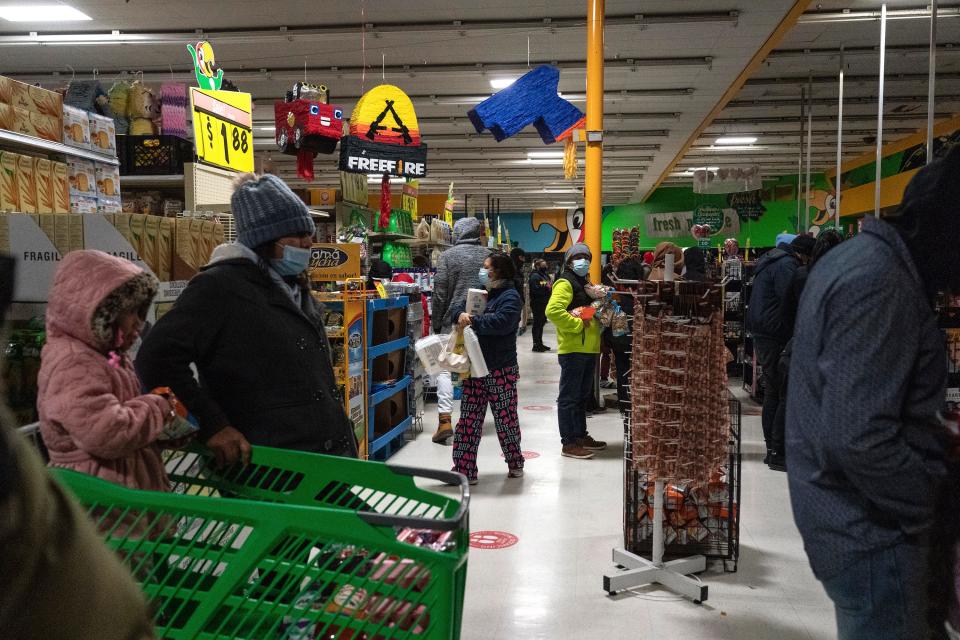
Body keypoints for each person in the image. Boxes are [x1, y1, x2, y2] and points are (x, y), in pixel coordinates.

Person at [787, 146, 960, 640]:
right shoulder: (879, 283)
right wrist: (935, 498)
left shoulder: (861, 263)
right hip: (873, 535)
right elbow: (859, 437)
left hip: (857, 524)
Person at [137, 173, 357, 465]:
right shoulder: (221, 286)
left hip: (319, 460)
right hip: (267, 466)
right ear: (264, 239)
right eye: (296, 235)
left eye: (308, 234)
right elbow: (156, 357)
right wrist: (212, 425)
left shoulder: (293, 286)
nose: (307, 244)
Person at [38, 250, 176, 491]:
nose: (138, 321)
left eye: (140, 311)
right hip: (100, 501)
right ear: (101, 312)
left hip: (121, 492)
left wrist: (164, 430)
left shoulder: (108, 356)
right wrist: (157, 407)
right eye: (130, 311)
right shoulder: (74, 363)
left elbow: (121, 417)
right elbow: (106, 433)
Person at [768, 229, 843, 472]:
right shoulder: (841, 279)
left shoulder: (801, 275)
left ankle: (778, 452)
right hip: (829, 348)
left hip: (799, 344)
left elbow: (786, 312)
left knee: (786, 398)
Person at [448, 254, 524, 484]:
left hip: (500, 369)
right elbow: (457, 310)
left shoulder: (511, 297)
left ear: (499, 271)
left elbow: (502, 323)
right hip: (474, 368)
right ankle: (464, 470)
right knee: (468, 420)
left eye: (487, 268)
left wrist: (472, 321)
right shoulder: (480, 293)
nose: (483, 271)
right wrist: (460, 315)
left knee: (506, 419)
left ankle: (515, 462)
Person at [744, 233, 814, 466]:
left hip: (763, 332)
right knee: (780, 391)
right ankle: (777, 450)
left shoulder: (770, 261)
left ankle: (771, 446)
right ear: (804, 255)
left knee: (773, 390)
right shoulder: (787, 266)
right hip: (776, 333)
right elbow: (791, 301)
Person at [430, 217, 492, 444]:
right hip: (481, 324)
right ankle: (472, 418)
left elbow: (440, 292)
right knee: (476, 370)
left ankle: (445, 420)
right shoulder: (489, 255)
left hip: (452, 322)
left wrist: (437, 321)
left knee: (445, 370)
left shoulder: (447, 257)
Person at [546, 242, 606, 459]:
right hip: (573, 348)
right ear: (569, 262)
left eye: (586, 257)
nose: (583, 261)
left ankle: (580, 435)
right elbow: (552, 311)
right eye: (577, 257)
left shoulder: (585, 282)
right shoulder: (566, 282)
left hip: (588, 347)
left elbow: (584, 310)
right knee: (569, 397)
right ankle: (568, 442)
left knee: (582, 396)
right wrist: (577, 325)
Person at [528, 258, 553, 352]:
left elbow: (548, 283)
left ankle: (540, 343)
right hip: (537, 303)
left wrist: (546, 284)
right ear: (538, 266)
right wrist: (546, 285)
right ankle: (536, 345)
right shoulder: (534, 276)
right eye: (543, 265)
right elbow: (536, 288)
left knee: (541, 323)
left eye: (545, 265)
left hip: (544, 302)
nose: (545, 267)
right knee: (537, 324)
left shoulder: (544, 275)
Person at [510, 247, 528, 335]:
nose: (524, 260)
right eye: (522, 257)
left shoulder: (517, 270)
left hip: (517, 303)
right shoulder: (511, 270)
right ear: (517, 257)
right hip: (511, 303)